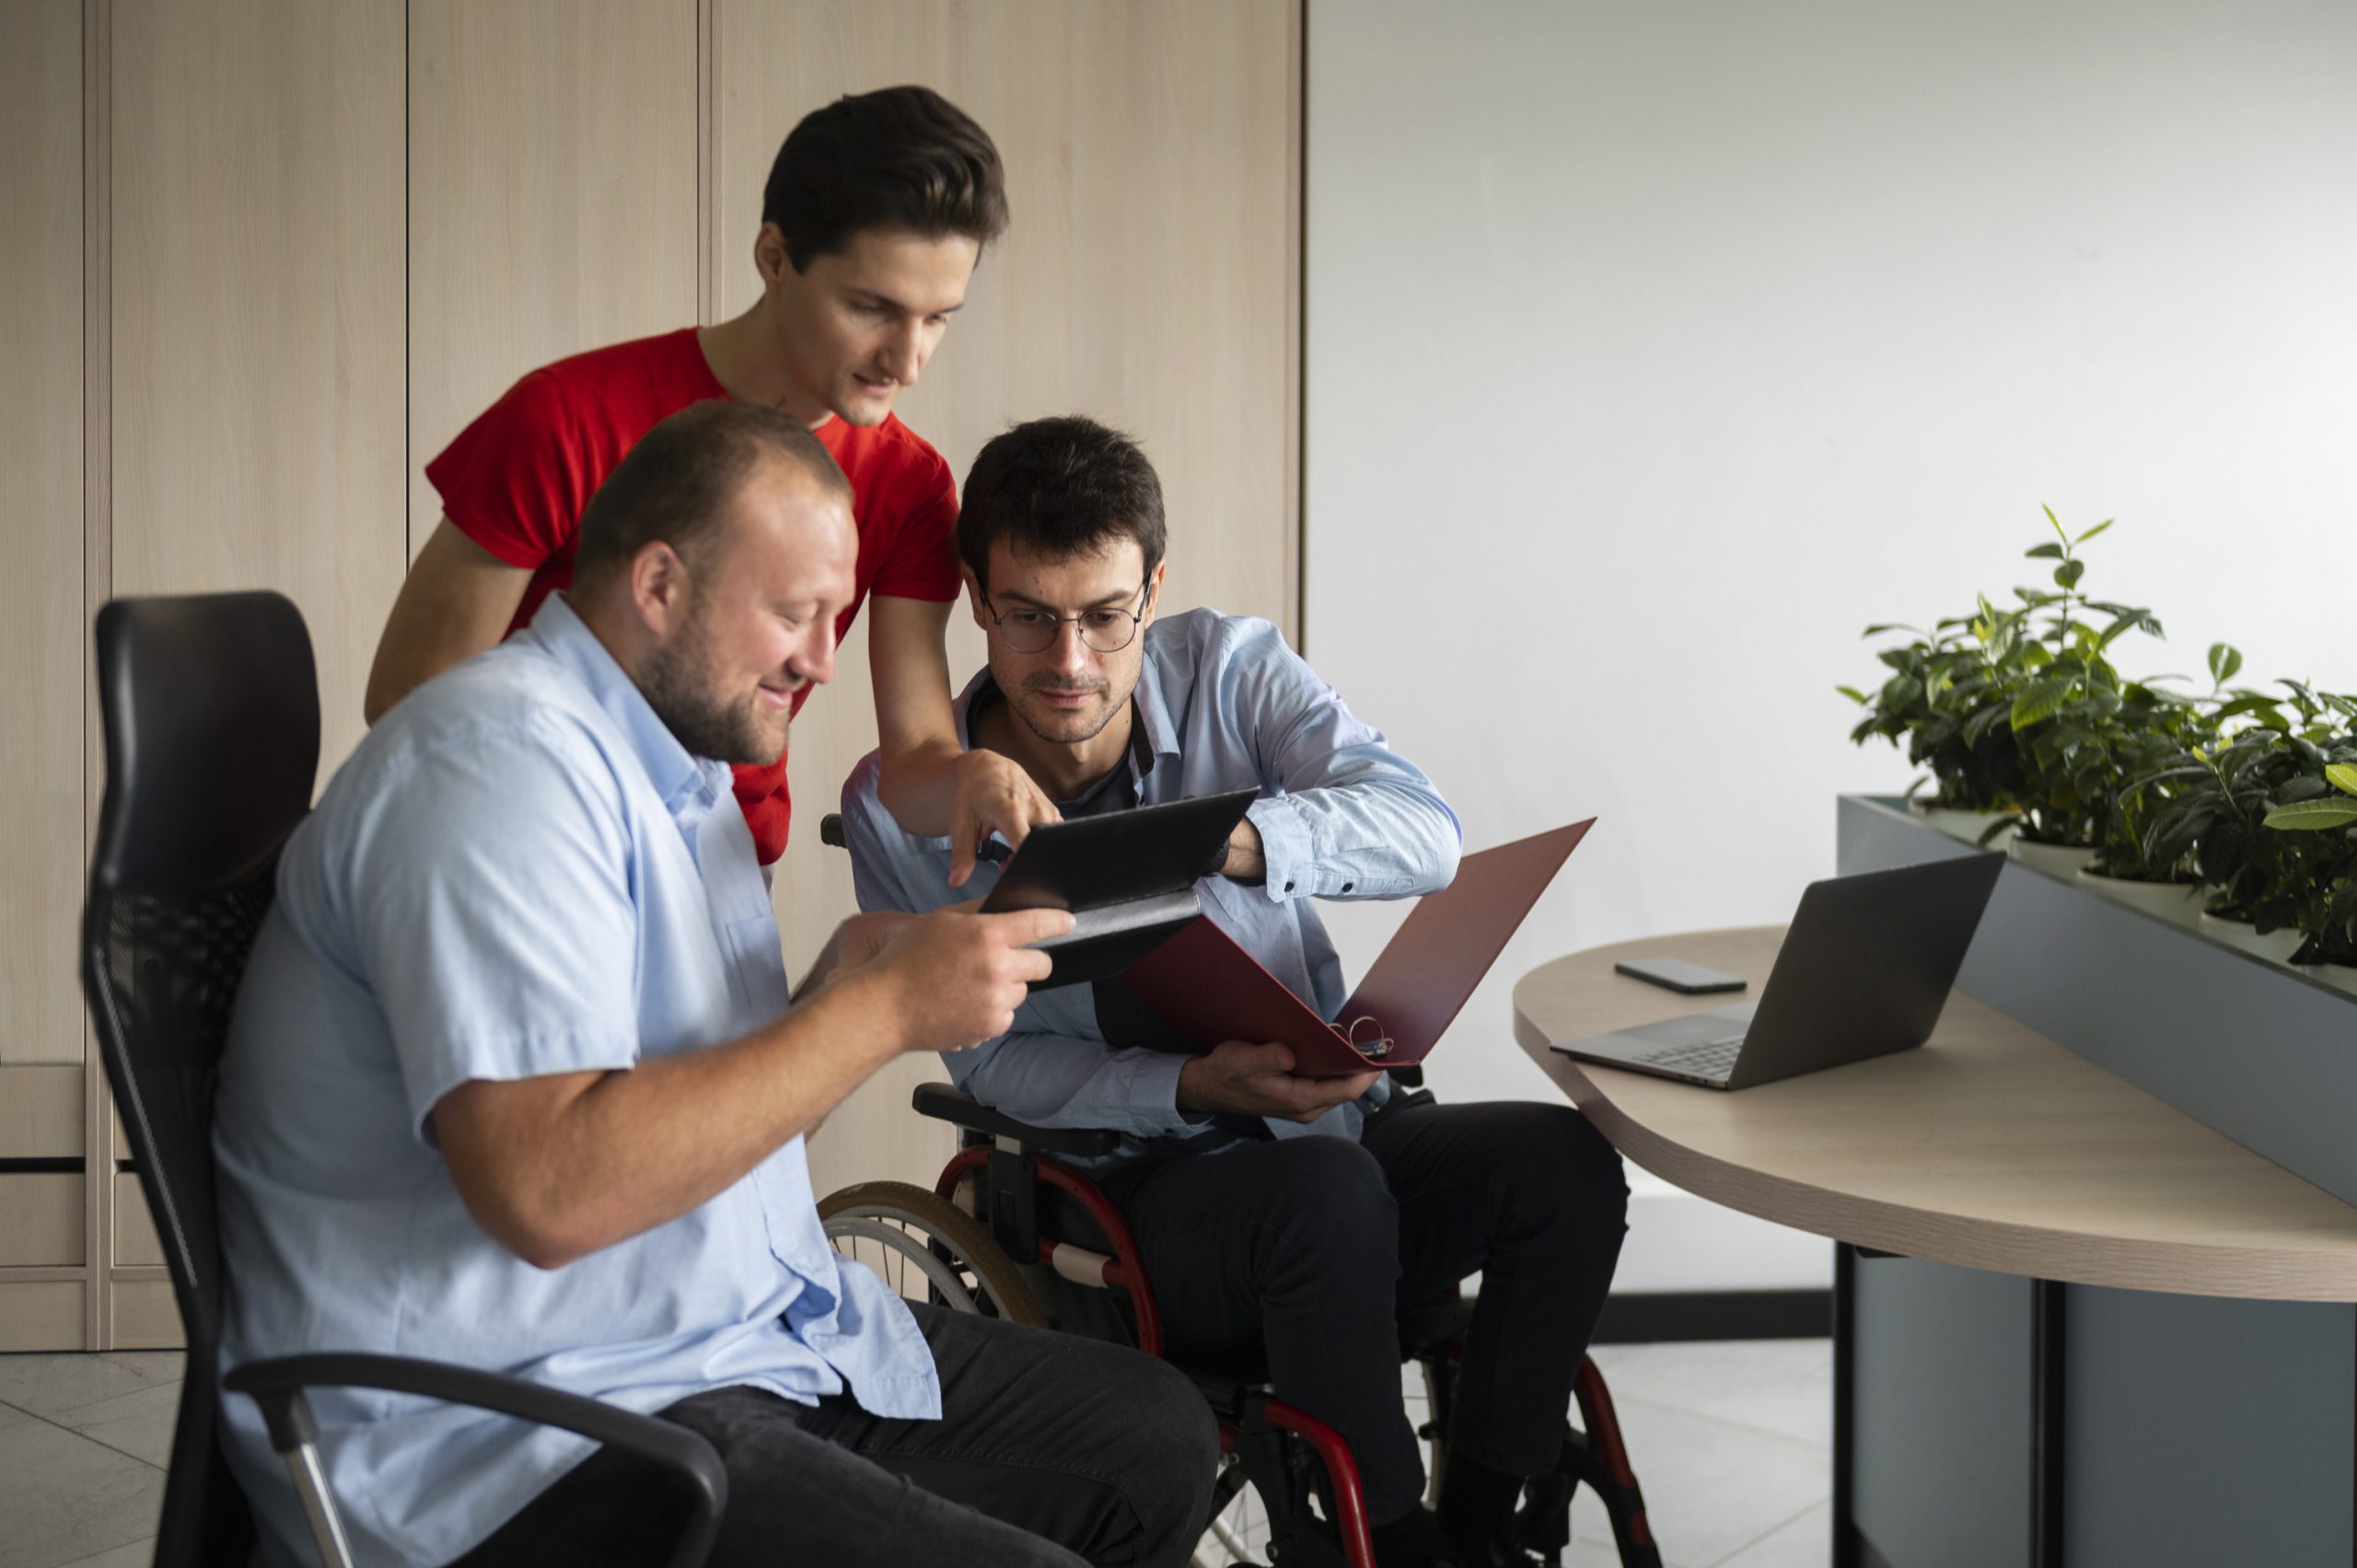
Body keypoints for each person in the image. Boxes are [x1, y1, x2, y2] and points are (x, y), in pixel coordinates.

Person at [215, 402, 1216, 1568]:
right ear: (658, 585)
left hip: (703, 1337)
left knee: (1154, 1438)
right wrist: (877, 1013)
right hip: (523, 1432)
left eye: (836, 615)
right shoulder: (498, 775)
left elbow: (686, 1102)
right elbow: (549, 1189)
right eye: (794, 613)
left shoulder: (674, 765)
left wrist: (837, 990)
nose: (826, 659)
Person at [841, 417, 1630, 1568]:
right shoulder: (897, 807)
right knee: (1324, 1191)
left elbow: (1425, 831)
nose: (1071, 660)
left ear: (1153, 591)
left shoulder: (1228, 669)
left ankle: (1481, 1521)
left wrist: (1236, 838)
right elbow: (997, 1066)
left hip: (1338, 1133)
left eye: (1106, 615)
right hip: (1143, 1200)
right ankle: (1388, 1542)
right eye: (1031, 615)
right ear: (974, 598)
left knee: (1565, 1165)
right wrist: (1188, 1085)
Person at [365, 84, 1056, 876]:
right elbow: (411, 702)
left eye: (937, 318)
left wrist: (971, 774)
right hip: (530, 837)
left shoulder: (910, 484)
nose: (909, 360)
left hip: (725, 863)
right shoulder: (566, 417)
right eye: (872, 307)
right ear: (774, 259)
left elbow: (914, 757)